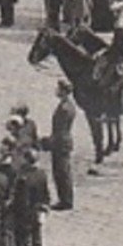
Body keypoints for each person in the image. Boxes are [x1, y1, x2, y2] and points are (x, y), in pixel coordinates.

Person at [49, 79, 77, 210]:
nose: (57, 90)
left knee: (61, 172)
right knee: (63, 171)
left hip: (61, 142)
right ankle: (66, 198)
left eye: (59, 88)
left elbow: (59, 129)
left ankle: (65, 200)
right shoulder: (68, 105)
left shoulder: (64, 108)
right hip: (63, 140)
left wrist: (49, 142)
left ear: (64, 91)